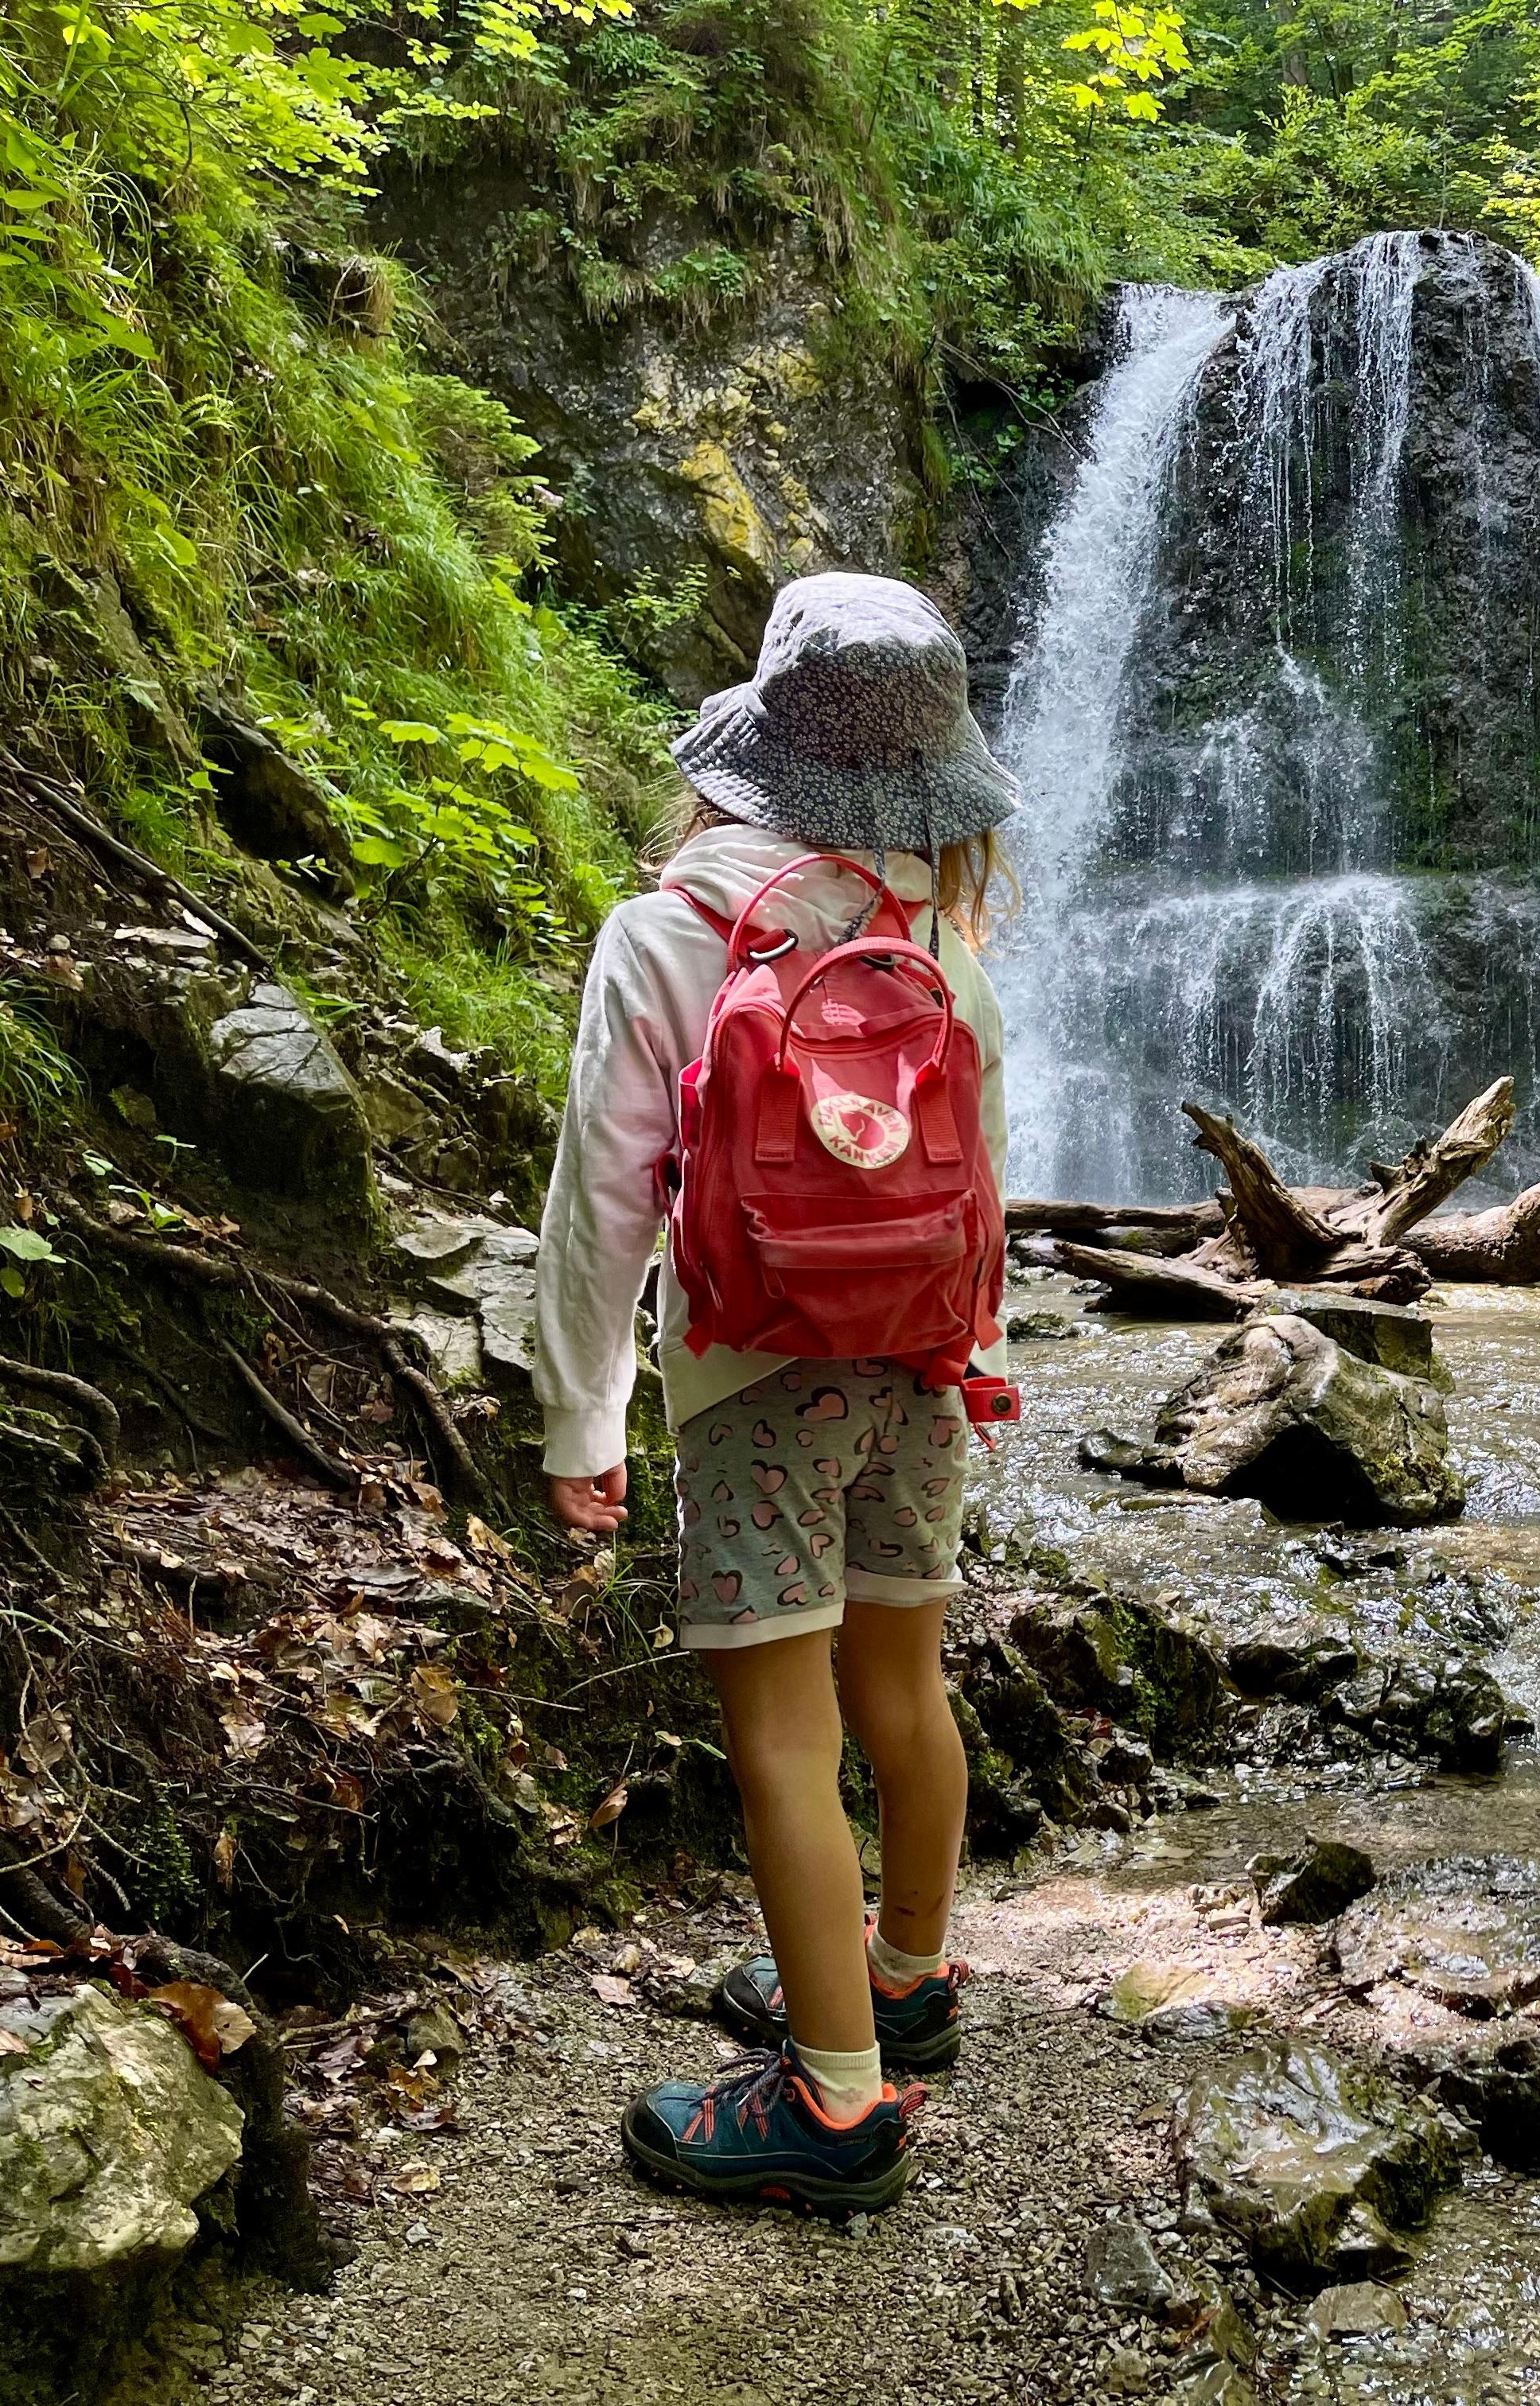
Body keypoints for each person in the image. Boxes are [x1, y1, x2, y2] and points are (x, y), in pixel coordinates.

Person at [534, 573, 1017, 2215]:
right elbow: (987, 1185)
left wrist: (580, 1417)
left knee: (783, 1744)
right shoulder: (939, 934)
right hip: (923, 1371)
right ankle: (908, 1971)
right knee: (906, 1688)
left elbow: (604, 1197)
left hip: (751, 1382)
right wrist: (975, 1355)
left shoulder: (675, 929)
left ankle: (833, 2104)